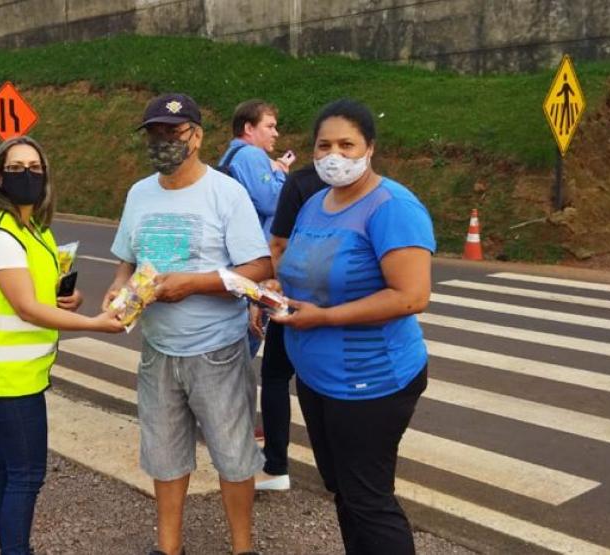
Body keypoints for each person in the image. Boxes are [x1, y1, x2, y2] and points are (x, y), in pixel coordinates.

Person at [103, 93, 273, 555]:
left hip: (216, 350)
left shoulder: (225, 192)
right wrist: (119, 288)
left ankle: (243, 548)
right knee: (164, 455)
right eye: (154, 134)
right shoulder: (140, 193)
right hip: (157, 350)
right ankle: (169, 547)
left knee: (234, 456)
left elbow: (258, 267)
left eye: (172, 133)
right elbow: (127, 260)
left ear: (196, 136)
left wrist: (194, 285)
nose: (162, 142)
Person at [270, 99, 435, 554]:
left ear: (370, 149)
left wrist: (324, 317)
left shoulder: (392, 207)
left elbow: (411, 296)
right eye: (324, 145)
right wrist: (271, 290)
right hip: (319, 380)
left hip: (373, 381)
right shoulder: (316, 202)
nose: (334, 155)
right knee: (344, 491)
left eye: (347, 144)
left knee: (369, 499)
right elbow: (298, 266)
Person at [0, 136, 124, 555]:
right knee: (27, 475)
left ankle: (8, 546)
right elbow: (27, 308)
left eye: (35, 167)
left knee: (8, 466)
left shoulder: (34, 229)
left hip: (20, 370)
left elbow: (42, 296)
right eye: (16, 168)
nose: (27, 175)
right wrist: (93, 323)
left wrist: (71, 300)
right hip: (7, 375)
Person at [249, 161, 328, 492]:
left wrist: (267, 294)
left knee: (276, 376)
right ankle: (337, 469)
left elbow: (278, 244)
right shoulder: (376, 189)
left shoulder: (300, 181)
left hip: (294, 298)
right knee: (326, 383)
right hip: (346, 301)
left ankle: (276, 465)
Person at [218, 99, 292, 240]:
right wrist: (280, 173)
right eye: (270, 127)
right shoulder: (251, 154)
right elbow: (273, 203)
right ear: (249, 129)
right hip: (255, 250)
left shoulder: (231, 155)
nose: (276, 133)